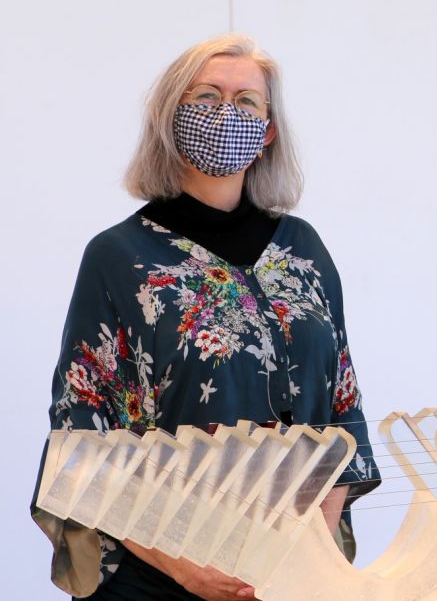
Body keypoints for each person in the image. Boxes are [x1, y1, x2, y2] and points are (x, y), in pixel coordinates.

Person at [32, 35, 379, 600]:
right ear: (172, 118)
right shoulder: (119, 257)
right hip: (158, 579)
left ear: (267, 132)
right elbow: (82, 437)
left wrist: (306, 565)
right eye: (207, 96)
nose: (227, 112)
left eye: (247, 102)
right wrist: (189, 568)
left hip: (294, 580)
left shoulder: (303, 250)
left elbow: (342, 411)